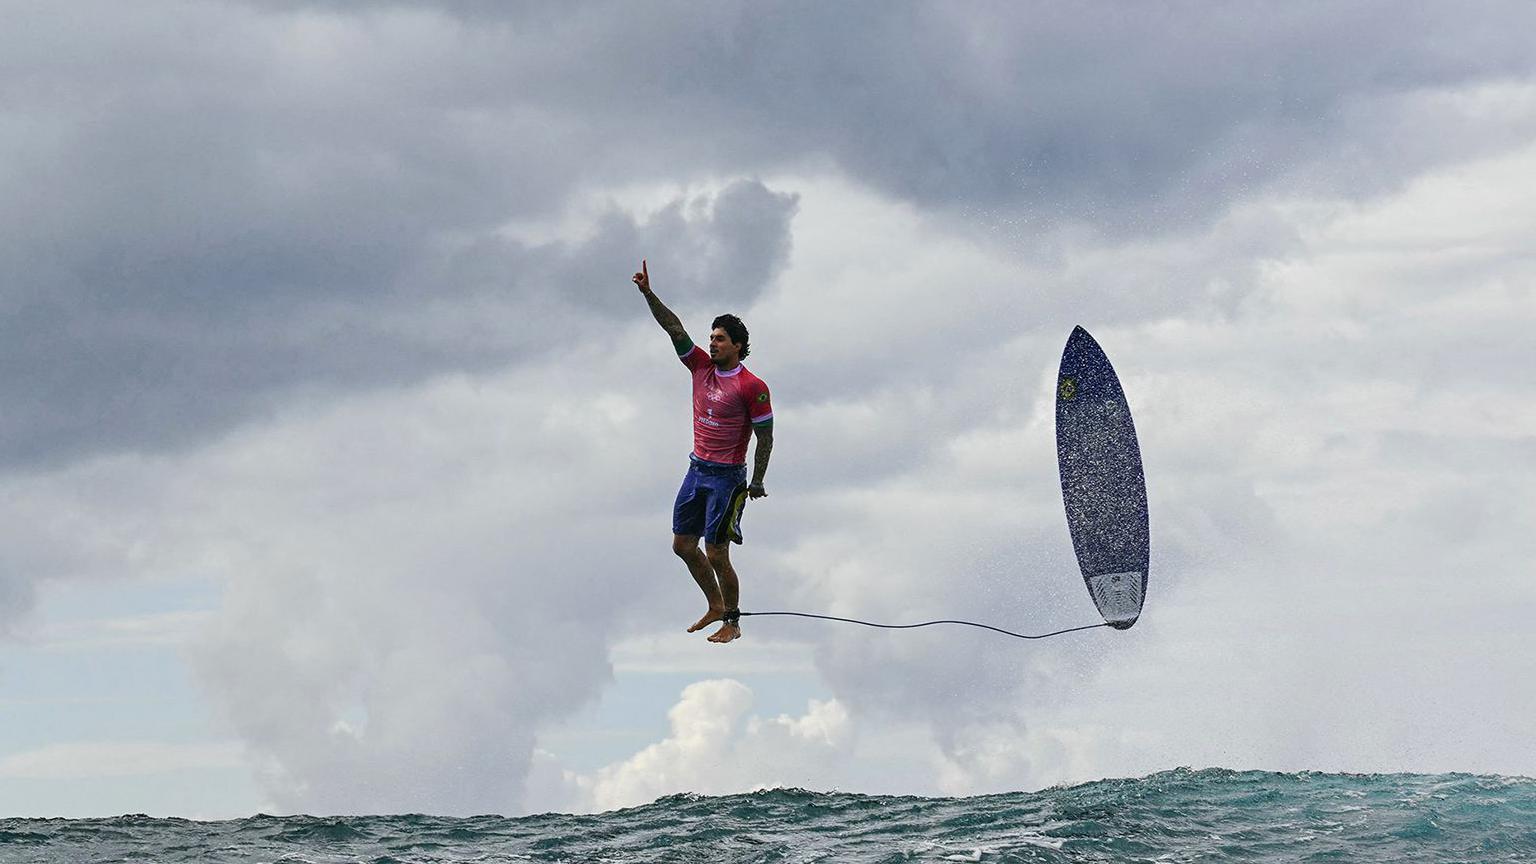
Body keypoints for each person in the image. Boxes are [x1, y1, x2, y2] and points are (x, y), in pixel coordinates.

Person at [632, 260, 773, 644]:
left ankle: (732, 620)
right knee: (682, 545)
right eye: (711, 337)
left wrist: (757, 481)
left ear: (738, 346)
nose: (712, 343)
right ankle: (714, 604)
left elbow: (766, 436)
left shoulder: (751, 386)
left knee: (716, 553)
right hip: (697, 470)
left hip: (728, 479)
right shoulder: (699, 367)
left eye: (720, 339)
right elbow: (674, 327)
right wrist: (648, 294)